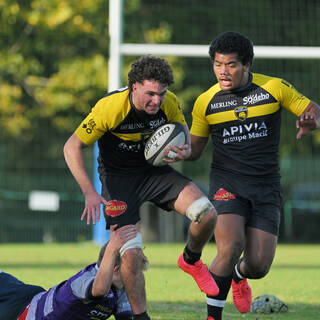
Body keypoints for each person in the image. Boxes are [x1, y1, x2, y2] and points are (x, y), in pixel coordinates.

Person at [171, 31, 320, 320]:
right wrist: (179, 152)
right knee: (230, 247)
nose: (223, 72)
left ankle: (240, 276)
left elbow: (312, 109)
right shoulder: (206, 102)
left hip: (267, 186)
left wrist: (311, 120)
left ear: (247, 64)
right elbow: (196, 149)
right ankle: (213, 316)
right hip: (228, 184)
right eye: (217, 64)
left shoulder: (274, 88)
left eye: (231, 65)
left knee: (259, 266)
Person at [63, 55, 219, 320]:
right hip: (119, 181)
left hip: (155, 174)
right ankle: (139, 316)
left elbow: (186, 138)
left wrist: (183, 150)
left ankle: (191, 260)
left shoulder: (168, 103)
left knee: (207, 214)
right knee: (132, 256)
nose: (156, 101)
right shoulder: (110, 108)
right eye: (150, 94)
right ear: (134, 86)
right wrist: (89, 192)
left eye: (161, 93)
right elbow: (71, 146)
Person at [0, 224, 140, 320]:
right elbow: (99, 290)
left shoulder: (119, 289)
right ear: (115, 269)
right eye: (132, 270)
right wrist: (112, 247)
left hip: (31, 299)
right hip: (18, 308)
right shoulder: (85, 281)